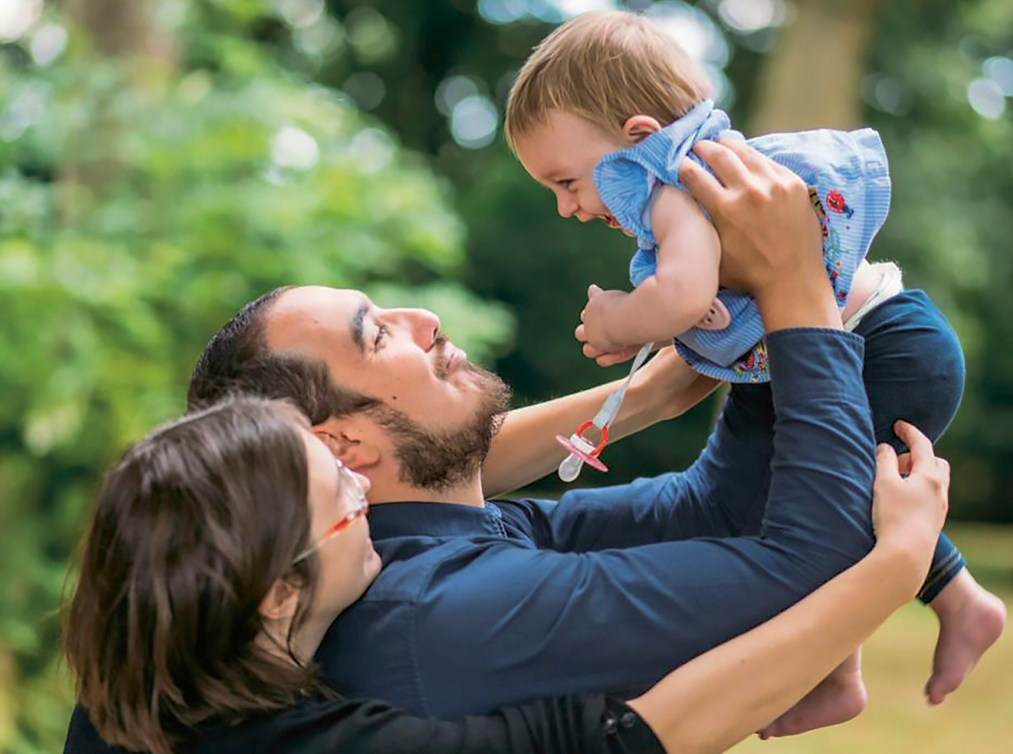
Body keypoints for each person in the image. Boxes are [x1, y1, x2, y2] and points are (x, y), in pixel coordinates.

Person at [504, 10, 1004, 734]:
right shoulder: (684, 180)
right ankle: (958, 604)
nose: (567, 208)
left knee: (809, 505)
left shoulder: (681, 188)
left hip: (882, 347)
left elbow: (683, 295)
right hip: (832, 352)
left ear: (638, 141)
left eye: (568, 182)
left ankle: (839, 671)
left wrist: (619, 320)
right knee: (816, 496)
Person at [63, 395, 949, 754]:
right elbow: (631, 739)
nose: (369, 491)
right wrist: (896, 561)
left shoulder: (129, 698)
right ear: (277, 593)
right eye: (345, 496)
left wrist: (659, 382)